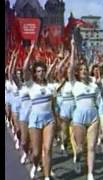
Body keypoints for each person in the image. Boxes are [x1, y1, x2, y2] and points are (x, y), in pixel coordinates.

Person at [23, 43, 57, 180]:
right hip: (35, 120)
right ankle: (35, 165)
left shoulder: (50, 86)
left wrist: (57, 120)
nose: (41, 73)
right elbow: (25, 68)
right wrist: (31, 51)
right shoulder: (31, 85)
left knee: (47, 149)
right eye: (38, 71)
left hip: (49, 120)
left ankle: (47, 176)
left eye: (42, 71)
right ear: (35, 73)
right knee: (36, 153)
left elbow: (53, 105)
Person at [68, 38, 100, 180]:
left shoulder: (94, 84)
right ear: (77, 73)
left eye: (86, 69)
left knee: (91, 147)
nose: (84, 71)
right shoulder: (74, 84)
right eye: (81, 70)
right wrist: (73, 48)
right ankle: (78, 158)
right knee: (80, 148)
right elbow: (70, 67)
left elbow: (99, 100)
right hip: (79, 118)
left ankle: (90, 173)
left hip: (93, 117)